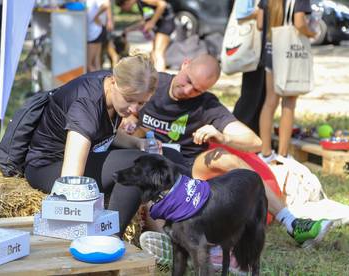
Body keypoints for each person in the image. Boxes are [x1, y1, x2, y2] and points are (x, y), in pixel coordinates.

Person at [122, 54, 331, 253]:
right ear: (185, 64)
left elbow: (255, 142)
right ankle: (173, 243)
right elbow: (122, 105)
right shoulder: (155, 83)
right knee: (149, 180)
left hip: (188, 166)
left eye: (196, 89)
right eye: (187, 81)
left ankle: (291, 222)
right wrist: (130, 120)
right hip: (150, 161)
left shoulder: (206, 104)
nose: (187, 90)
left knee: (224, 156)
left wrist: (223, 137)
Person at [24, 53, 187, 236]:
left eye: (141, 102)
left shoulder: (111, 89)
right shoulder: (86, 104)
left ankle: (178, 232)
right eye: (130, 99)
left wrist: (137, 142)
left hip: (89, 153)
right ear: (113, 83)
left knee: (170, 156)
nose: (134, 109)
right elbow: (70, 180)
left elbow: (104, 131)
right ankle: (109, 238)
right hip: (49, 167)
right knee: (140, 166)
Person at [257, 0, 316, 162]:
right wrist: (311, 33)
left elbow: (260, 24)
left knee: (269, 102)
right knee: (289, 102)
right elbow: (299, 23)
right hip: (289, 53)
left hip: (271, 50)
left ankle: (265, 152)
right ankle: (283, 153)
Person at [233, 0, 267, 135]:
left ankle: (254, 135)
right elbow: (241, 13)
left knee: (261, 96)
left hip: (263, 50)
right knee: (251, 96)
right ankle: (237, 134)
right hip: (253, 50)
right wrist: (264, 11)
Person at [116, 0, 174, 71]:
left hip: (165, 23)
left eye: (123, 8)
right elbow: (146, 20)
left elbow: (162, 4)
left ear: (126, 2)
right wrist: (129, 29)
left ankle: (162, 78)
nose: (125, 10)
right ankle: (154, 76)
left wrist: (152, 22)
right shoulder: (140, 3)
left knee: (158, 53)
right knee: (153, 54)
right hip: (158, 26)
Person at [87, 0, 113, 72]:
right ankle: (99, 81)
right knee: (96, 60)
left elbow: (106, 4)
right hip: (95, 30)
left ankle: (96, 82)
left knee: (90, 64)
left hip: (94, 31)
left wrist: (95, 16)